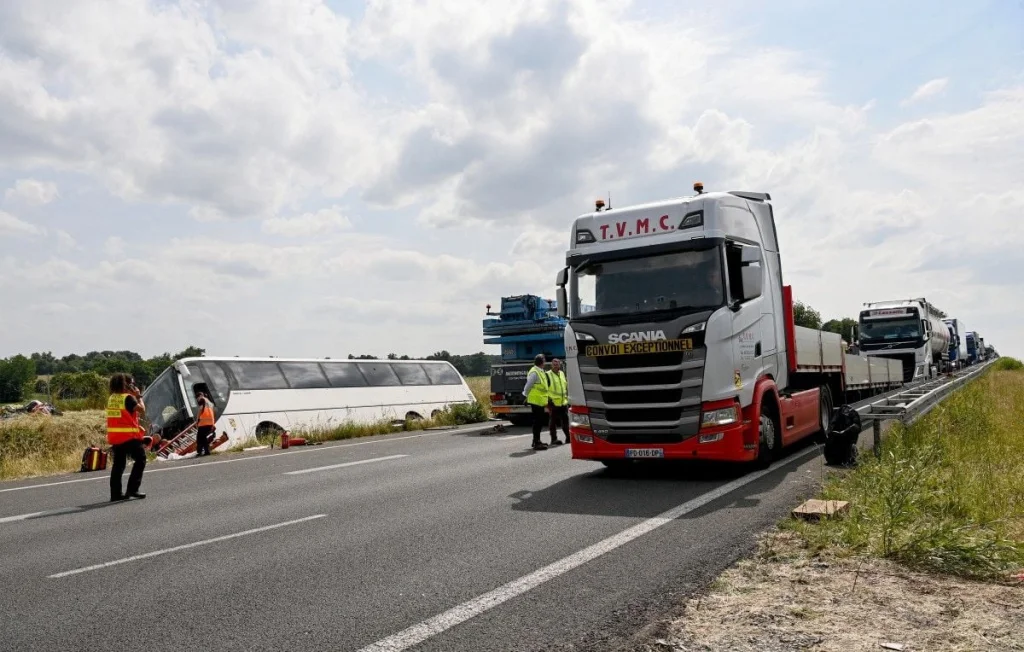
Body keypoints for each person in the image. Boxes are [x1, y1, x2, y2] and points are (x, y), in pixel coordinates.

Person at [106, 373, 148, 501]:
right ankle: (133, 489)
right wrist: (139, 397)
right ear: (127, 385)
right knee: (141, 459)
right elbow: (142, 410)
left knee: (118, 465)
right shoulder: (128, 398)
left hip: (115, 437)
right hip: (128, 436)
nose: (133, 386)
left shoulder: (112, 398)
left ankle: (116, 494)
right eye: (132, 384)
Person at [521, 354, 551, 451]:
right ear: (542, 362)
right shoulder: (534, 372)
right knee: (538, 422)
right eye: (544, 361)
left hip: (539, 401)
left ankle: (536, 441)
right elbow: (528, 385)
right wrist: (525, 396)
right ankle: (536, 442)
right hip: (536, 401)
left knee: (539, 422)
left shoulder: (539, 371)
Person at [547, 358, 569, 445]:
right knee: (553, 422)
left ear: (559, 365)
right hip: (553, 402)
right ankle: (554, 439)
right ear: (551, 365)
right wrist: (548, 400)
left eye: (557, 364)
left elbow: (565, 387)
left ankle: (568, 437)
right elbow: (545, 388)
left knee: (565, 421)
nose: (556, 366)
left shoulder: (562, 373)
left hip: (563, 402)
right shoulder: (548, 375)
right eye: (554, 364)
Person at [193, 392, 216, 457]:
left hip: (203, 423)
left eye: (197, 398)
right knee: (203, 437)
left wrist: (197, 420)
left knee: (199, 438)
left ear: (200, 396)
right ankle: (206, 451)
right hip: (210, 422)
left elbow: (200, 409)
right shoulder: (209, 402)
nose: (197, 399)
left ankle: (200, 451)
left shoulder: (202, 400)